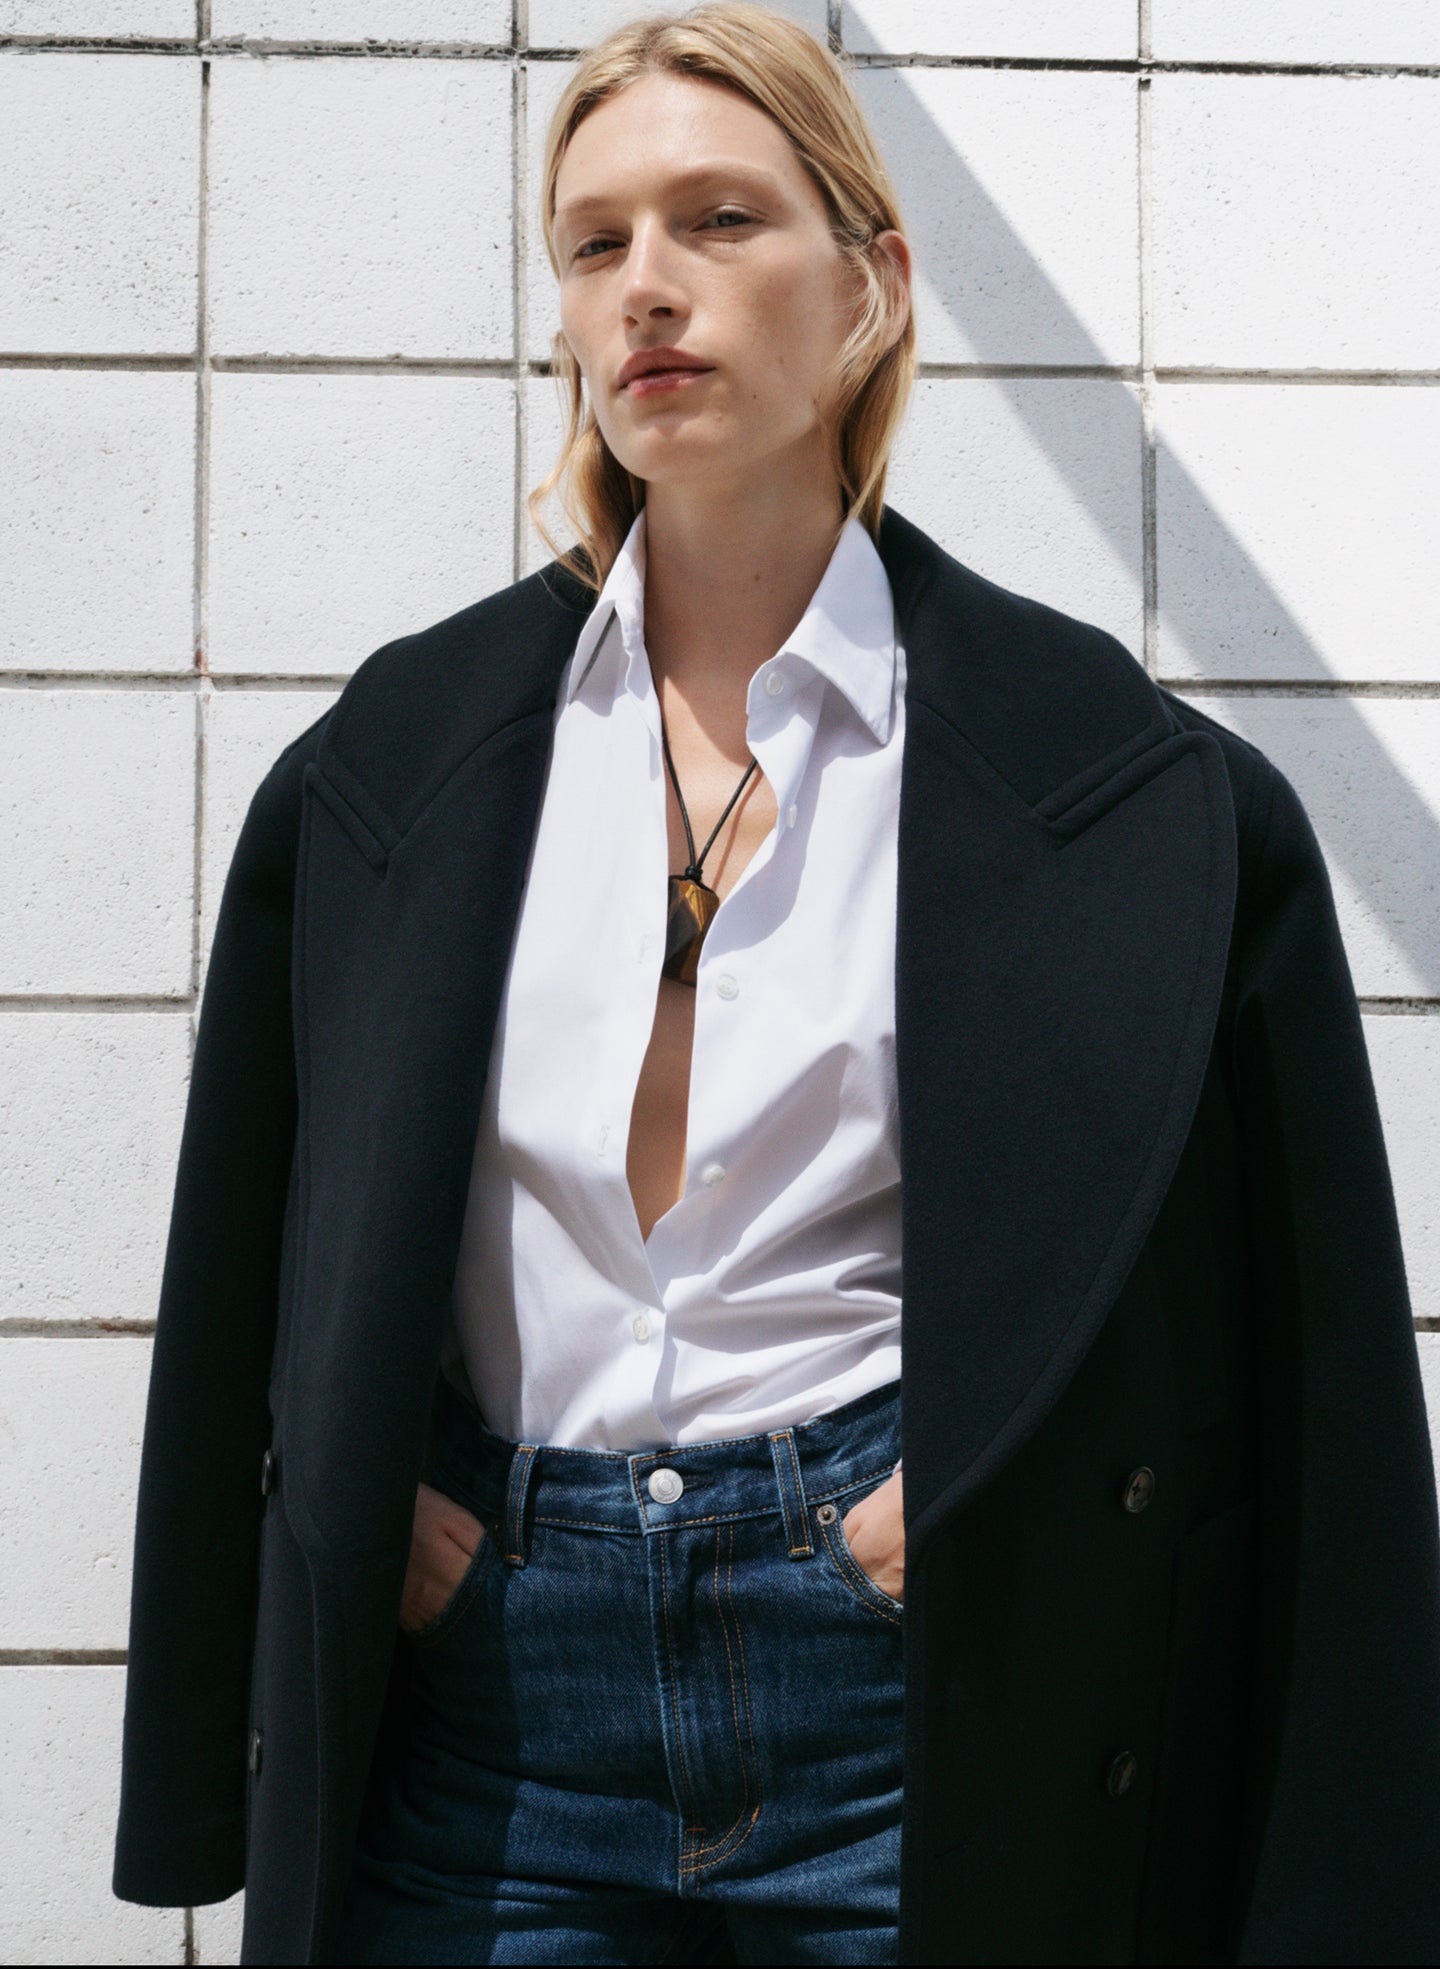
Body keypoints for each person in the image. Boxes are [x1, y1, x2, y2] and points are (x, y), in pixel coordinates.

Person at [112, 7, 1440, 1965]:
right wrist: (347, 1506)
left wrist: (987, 1487)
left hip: (908, 1718)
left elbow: (1304, 1357)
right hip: (493, 1721)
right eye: (594, 241)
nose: (647, 283)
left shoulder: (1137, 793)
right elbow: (248, 1251)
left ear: (876, 289)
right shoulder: (393, 772)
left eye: (720, 218)